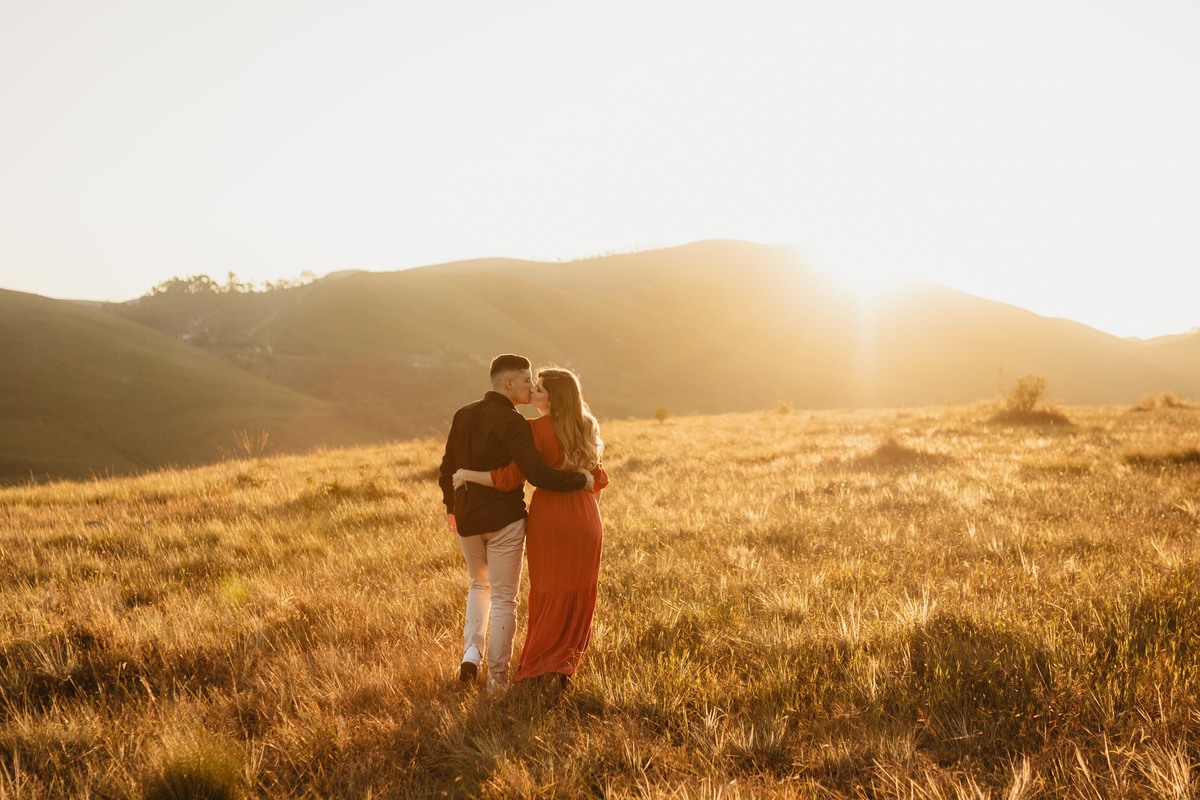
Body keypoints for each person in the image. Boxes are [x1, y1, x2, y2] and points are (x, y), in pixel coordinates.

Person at [439, 354, 593, 695]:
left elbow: (446, 468)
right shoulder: (516, 423)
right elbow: (535, 474)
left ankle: (471, 653)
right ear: (508, 383)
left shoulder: (462, 414)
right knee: (504, 599)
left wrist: (453, 509)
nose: (530, 385)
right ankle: (497, 680)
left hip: (467, 519)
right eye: (526, 380)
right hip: (504, 520)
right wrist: (581, 480)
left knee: (478, 585)